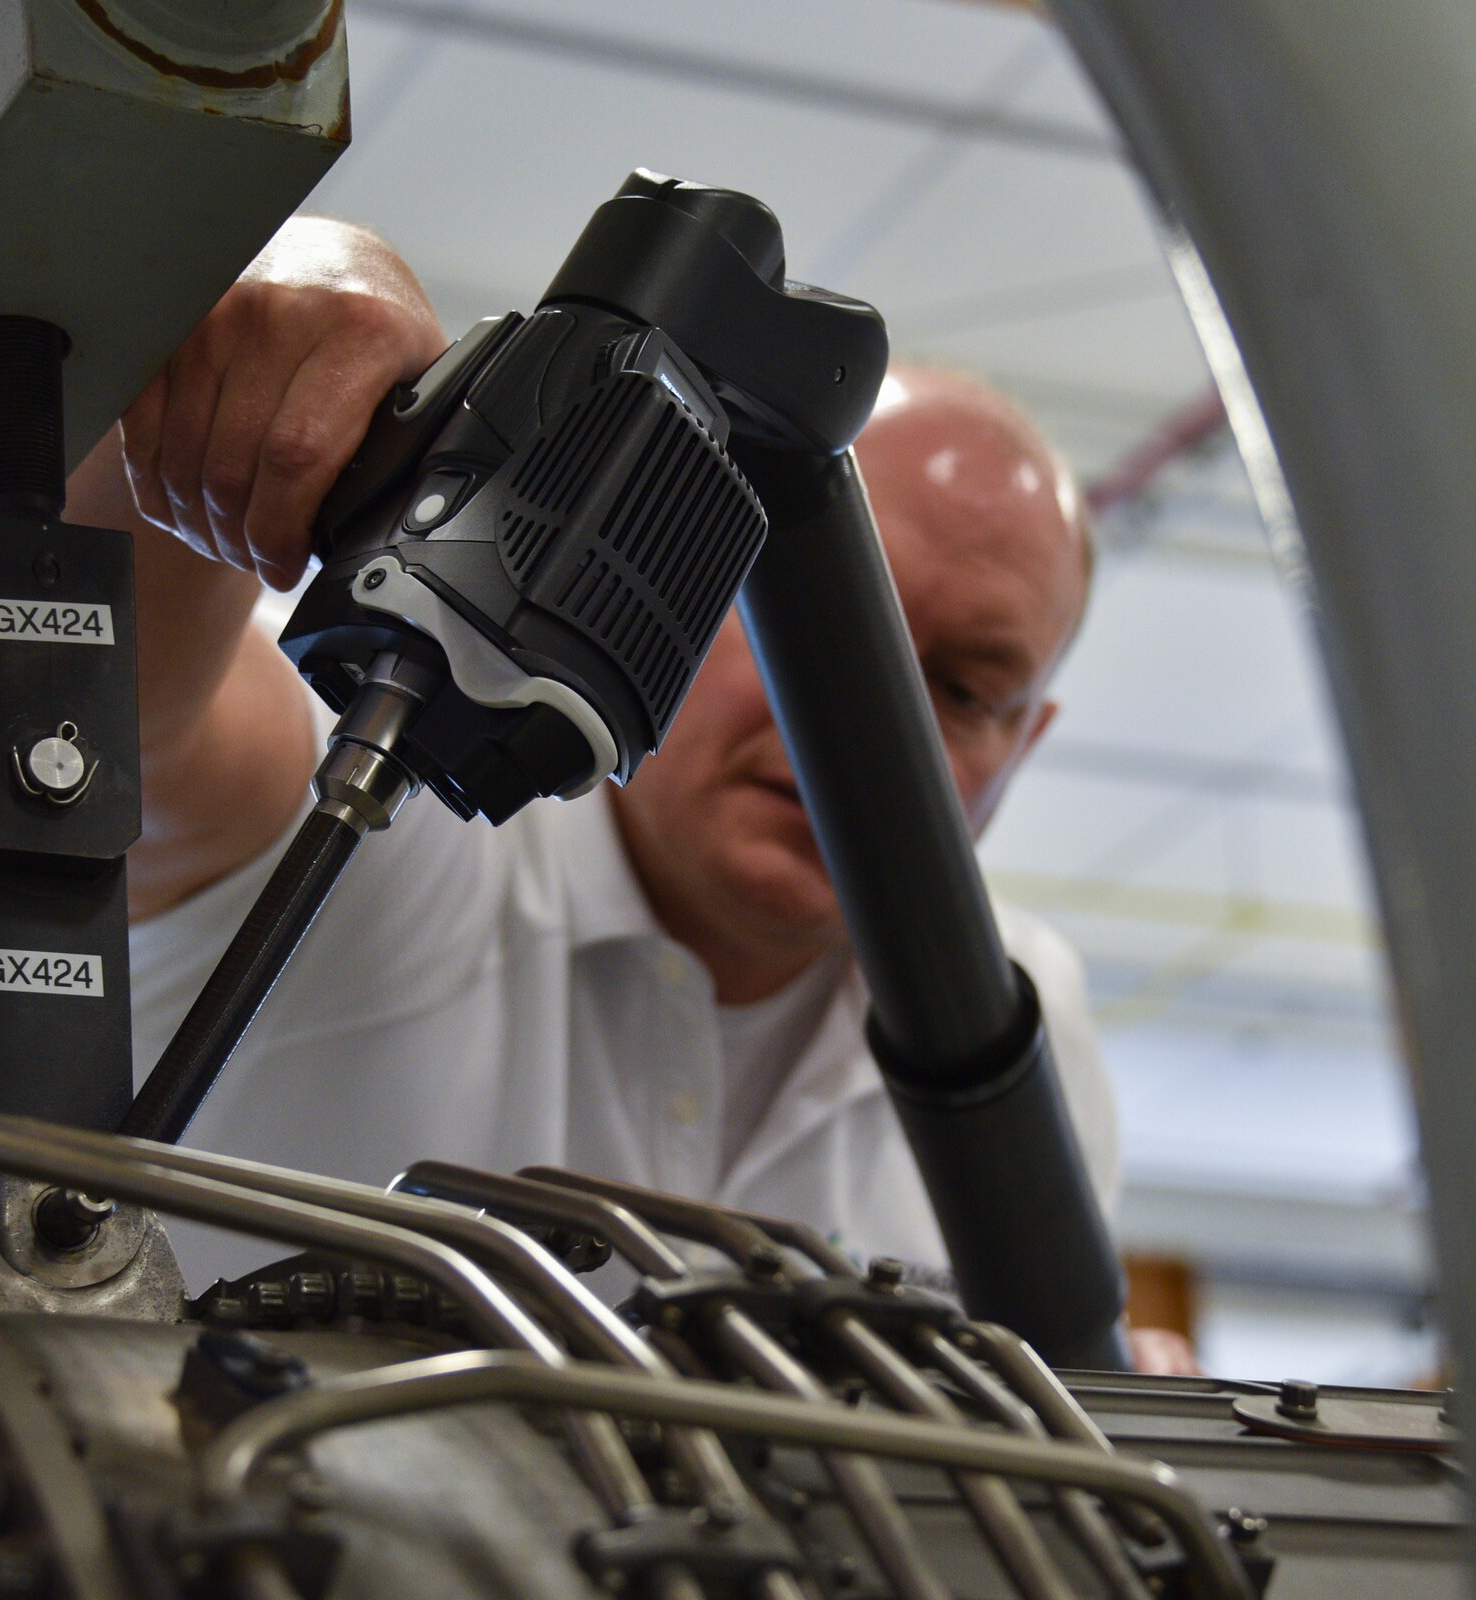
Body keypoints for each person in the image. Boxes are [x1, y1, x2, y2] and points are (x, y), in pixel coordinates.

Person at [77, 216, 1157, 1347]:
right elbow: (112, 706)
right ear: (674, 581)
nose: (863, 722)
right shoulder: (393, 803)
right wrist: (268, 285)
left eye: (968, 686)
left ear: (1023, 744)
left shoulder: (1029, 1034)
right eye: (807, 629)